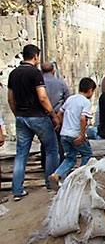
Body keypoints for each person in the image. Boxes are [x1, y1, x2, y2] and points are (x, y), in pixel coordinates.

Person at [8, 44, 61, 200]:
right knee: (51, 149)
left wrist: (17, 114)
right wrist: (53, 115)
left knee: (21, 154)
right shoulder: (36, 74)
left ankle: (17, 190)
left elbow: (10, 99)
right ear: (36, 56)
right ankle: (50, 184)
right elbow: (42, 97)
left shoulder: (14, 74)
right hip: (38, 117)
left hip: (21, 117)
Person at [48, 78, 97, 190]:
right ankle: (79, 179)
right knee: (87, 155)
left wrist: (63, 126)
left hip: (65, 133)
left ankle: (56, 175)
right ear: (90, 90)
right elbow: (83, 118)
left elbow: (60, 114)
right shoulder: (86, 102)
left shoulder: (70, 99)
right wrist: (82, 135)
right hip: (76, 134)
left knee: (70, 158)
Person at [40, 61, 70, 165]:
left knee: (44, 141)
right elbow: (68, 101)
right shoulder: (61, 83)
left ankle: (45, 164)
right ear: (53, 71)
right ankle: (59, 165)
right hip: (58, 115)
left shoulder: (38, 84)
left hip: (42, 115)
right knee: (58, 142)